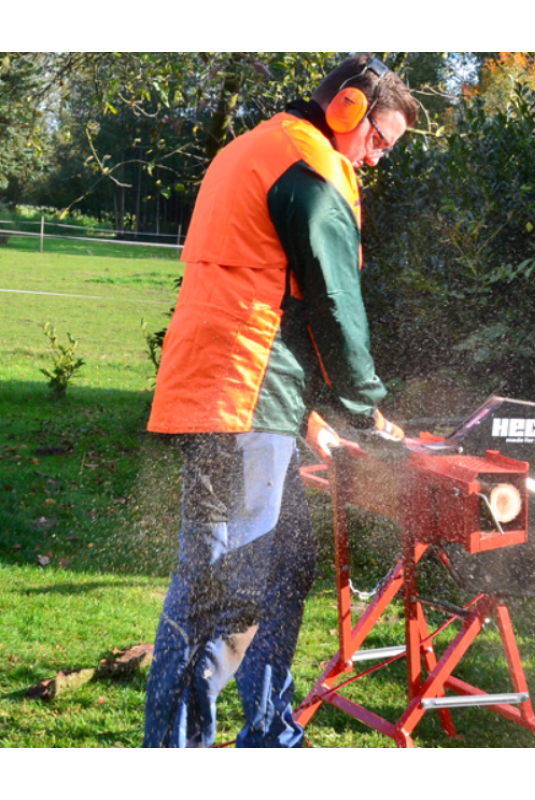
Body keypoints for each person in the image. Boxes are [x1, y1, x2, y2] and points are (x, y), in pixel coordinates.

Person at [142, 53, 418, 748]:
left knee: (284, 564)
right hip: (243, 395)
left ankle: (269, 733)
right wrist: (366, 407)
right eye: (378, 140)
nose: (376, 158)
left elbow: (270, 292)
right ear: (348, 109)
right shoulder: (311, 166)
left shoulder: (256, 147)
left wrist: (310, 415)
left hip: (244, 389)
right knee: (222, 588)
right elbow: (332, 300)